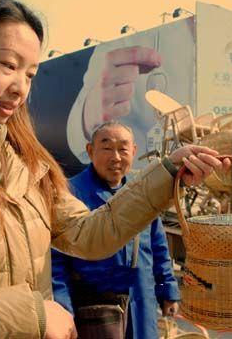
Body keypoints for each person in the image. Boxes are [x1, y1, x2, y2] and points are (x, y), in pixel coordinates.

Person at [0, 0, 228, 338]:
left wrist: (166, 174)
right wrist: (29, 314)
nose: (20, 87)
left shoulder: (24, 164)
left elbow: (89, 233)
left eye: (30, 73)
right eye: (7, 65)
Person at [52, 121, 180, 338]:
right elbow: (56, 262)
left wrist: (167, 289)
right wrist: (63, 310)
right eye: (107, 148)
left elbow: (158, 248)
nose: (116, 157)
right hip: (93, 308)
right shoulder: (68, 194)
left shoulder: (143, 193)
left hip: (141, 302)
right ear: (90, 150)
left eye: (123, 149)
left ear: (134, 151)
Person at [66, 18, 195, 168]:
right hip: (143, 184)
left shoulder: (224, 26)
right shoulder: (130, 31)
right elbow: (77, 142)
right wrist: (90, 113)